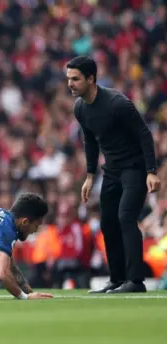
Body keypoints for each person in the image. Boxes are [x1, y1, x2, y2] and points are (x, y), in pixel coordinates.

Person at [67, 56, 162, 294]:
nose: (70, 84)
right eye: (69, 79)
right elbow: (90, 140)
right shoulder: (80, 108)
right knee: (107, 222)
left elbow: (144, 135)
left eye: (75, 79)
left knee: (126, 217)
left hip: (135, 168)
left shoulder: (117, 103)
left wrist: (151, 171)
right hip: (111, 171)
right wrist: (89, 175)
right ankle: (117, 279)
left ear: (91, 79)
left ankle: (135, 281)